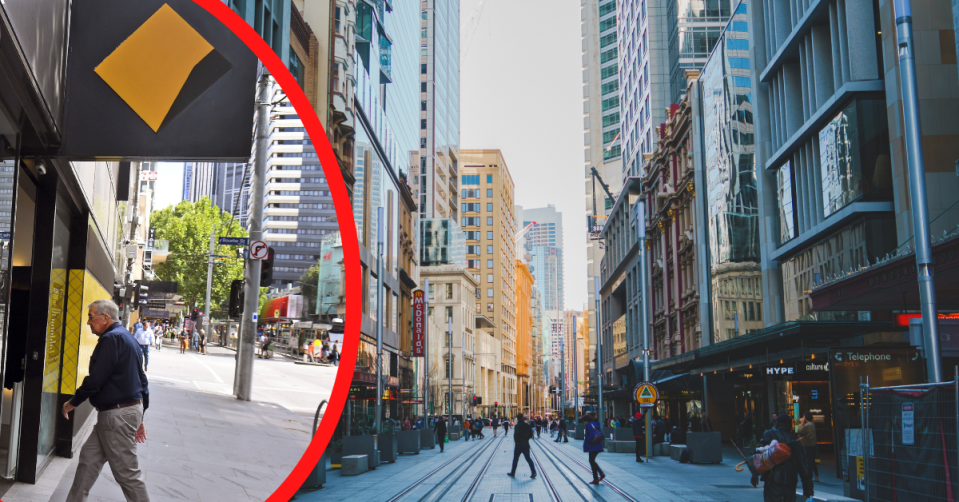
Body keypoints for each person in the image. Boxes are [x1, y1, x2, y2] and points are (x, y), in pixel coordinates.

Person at [63, 299, 150, 502]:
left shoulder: (111, 340)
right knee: (88, 461)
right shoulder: (128, 338)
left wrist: (72, 402)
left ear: (105, 317)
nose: (88, 322)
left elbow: (96, 380)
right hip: (119, 414)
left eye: (91, 317)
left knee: (128, 474)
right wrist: (139, 414)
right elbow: (142, 381)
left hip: (116, 417)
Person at [750, 413, 814, 501]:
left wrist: (755, 474)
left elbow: (758, 455)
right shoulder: (796, 442)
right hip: (790, 483)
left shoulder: (769, 434)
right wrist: (808, 490)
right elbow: (803, 467)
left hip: (772, 481)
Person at [506, 413, 537, 479]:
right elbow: (530, 435)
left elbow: (515, 436)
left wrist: (517, 442)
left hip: (519, 445)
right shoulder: (527, 425)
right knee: (528, 459)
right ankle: (533, 472)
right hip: (526, 444)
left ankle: (513, 472)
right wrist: (526, 440)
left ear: (517, 418)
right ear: (523, 418)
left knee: (515, 459)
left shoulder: (517, 426)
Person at [582, 413, 605, 485]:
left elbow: (591, 434)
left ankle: (596, 478)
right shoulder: (595, 424)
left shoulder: (589, 425)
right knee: (592, 461)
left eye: (584, 421)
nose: (584, 422)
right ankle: (600, 474)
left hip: (593, 446)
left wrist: (588, 441)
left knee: (591, 461)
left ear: (586, 420)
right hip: (597, 445)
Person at [798, 412, 819, 482]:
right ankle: (816, 476)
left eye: (803, 417)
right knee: (812, 461)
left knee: (809, 461)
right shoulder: (812, 424)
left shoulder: (807, 425)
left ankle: (809, 476)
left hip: (808, 445)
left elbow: (800, 431)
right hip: (813, 445)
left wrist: (801, 423)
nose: (802, 418)